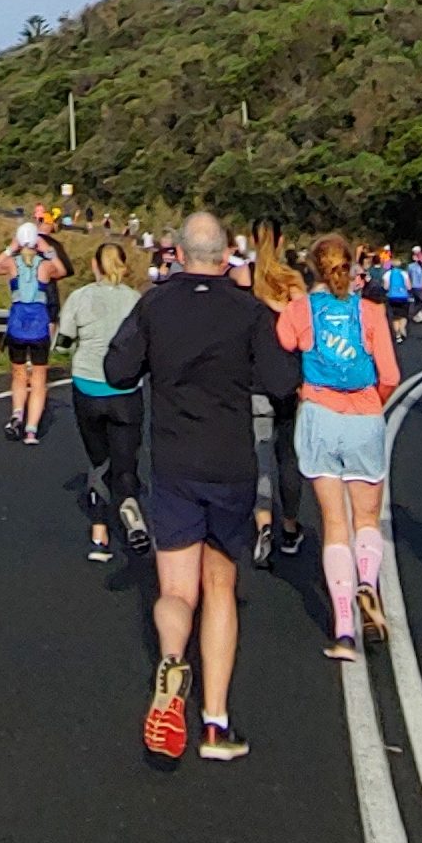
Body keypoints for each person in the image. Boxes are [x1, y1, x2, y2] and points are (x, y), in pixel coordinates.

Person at [92, 212, 294, 763]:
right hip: (230, 464)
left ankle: (172, 660)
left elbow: (117, 372)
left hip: (175, 463)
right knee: (221, 590)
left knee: (176, 591)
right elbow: (282, 384)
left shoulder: (155, 304)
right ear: (229, 255)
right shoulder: (249, 311)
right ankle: (215, 723)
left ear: (177, 254)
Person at [280, 232, 400, 661]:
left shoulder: (301, 310)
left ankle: (344, 627)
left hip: (318, 416)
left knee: (334, 524)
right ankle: (369, 579)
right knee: (366, 518)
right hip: (364, 416)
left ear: (311, 266)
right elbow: (389, 374)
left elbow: (284, 342)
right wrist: (371, 405)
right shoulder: (369, 312)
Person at [56, 239, 150, 563]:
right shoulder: (136, 301)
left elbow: (64, 343)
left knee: (99, 461)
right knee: (125, 462)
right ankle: (130, 511)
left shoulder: (80, 297)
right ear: (124, 266)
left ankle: (99, 533)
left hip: (88, 387)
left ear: (95, 266)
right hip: (125, 391)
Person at [246, 232, 307, 568]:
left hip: (255, 380)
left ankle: (263, 522)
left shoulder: (244, 280)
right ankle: (289, 526)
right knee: (288, 455)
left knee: (260, 456)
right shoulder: (292, 282)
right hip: (287, 379)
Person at [0, 217, 67, 440]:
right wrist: (48, 250)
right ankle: (31, 430)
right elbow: (62, 271)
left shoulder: (12, 264)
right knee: (38, 378)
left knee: (18, 373)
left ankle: (17, 413)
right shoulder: (45, 266)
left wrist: (11, 248)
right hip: (39, 324)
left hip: (17, 323)